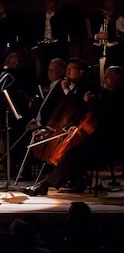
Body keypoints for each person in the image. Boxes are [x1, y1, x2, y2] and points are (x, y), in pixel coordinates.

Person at [23, 65, 123, 196]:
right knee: (73, 149)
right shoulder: (105, 93)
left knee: (73, 153)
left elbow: (102, 114)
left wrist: (90, 101)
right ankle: (79, 179)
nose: (105, 78)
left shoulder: (119, 96)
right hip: (96, 140)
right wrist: (75, 125)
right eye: (105, 75)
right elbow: (88, 114)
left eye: (109, 75)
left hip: (109, 144)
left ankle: (46, 185)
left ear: (119, 78)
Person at [22, 58, 92, 196]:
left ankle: (47, 184)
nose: (68, 71)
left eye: (71, 68)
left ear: (81, 72)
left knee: (70, 151)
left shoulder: (86, 87)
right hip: (70, 127)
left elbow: (78, 107)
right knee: (66, 150)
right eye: (67, 68)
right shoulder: (73, 86)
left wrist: (66, 89)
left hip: (84, 133)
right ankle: (75, 178)